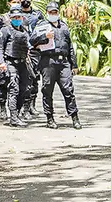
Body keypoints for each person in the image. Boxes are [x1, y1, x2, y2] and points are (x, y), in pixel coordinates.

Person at [30, 2, 81, 130]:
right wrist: (44, 36)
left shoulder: (63, 26)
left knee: (68, 90)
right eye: (51, 12)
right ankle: (50, 118)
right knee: (47, 90)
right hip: (48, 62)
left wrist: (74, 64)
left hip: (63, 62)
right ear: (47, 13)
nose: (53, 14)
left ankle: (74, 117)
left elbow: (70, 46)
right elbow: (32, 41)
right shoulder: (42, 25)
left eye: (55, 12)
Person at [0, 6, 31, 128]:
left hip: (23, 62)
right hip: (10, 62)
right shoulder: (5, 30)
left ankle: (17, 112)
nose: (17, 19)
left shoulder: (24, 30)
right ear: (10, 18)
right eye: (14, 17)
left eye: (19, 17)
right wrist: (1, 63)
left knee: (25, 89)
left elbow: (30, 44)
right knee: (13, 88)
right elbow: (0, 47)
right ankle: (14, 118)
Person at [0, 0, 21, 122]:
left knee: (20, 85)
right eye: (14, 1)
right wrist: (6, 31)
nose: (17, 3)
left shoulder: (22, 19)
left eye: (18, 1)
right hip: (6, 56)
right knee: (5, 82)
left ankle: (17, 111)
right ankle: (3, 108)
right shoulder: (2, 18)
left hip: (19, 55)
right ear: (9, 3)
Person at [19, 0, 45, 119]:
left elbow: (44, 28)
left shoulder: (37, 14)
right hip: (21, 49)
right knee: (23, 80)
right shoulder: (16, 14)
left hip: (35, 49)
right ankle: (21, 106)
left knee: (34, 78)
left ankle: (31, 105)